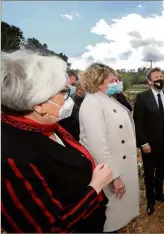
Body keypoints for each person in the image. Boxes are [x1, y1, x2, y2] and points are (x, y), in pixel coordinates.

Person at [1, 50, 112, 233]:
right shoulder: (11, 157)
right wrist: (96, 186)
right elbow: (49, 227)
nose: (68, 96)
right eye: (63, 92)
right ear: (39, 105)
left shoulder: (46, 124)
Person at [78, 63, 139, 232]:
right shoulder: (92, 104)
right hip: (110, 171)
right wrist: (114, 177)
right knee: (110, 219)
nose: (117, 83)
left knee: (118, 216)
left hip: (119, 164)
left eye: (117, 79)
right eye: (113, 80)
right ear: (98, 82)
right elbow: (97, 146)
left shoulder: (106, 98)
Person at [133, 67, 164, 216]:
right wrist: (143, 143)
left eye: (161, 76)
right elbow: (138, 122)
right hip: (149, 144)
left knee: (162, 170)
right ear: (149, 81)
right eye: (156, 77)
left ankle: (159, 193)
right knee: (149, 172)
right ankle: (150, 200)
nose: (160, 79)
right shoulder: (142, 98)